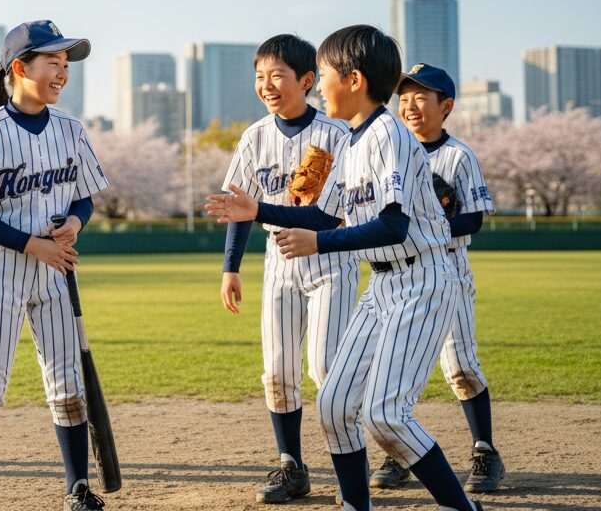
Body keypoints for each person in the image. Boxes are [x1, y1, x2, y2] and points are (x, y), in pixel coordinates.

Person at [206, 25, 487, 511]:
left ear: (353, 79)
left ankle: (461, 508)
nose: (322, 84)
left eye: (327, 73)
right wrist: (259, 211)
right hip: (383, 286)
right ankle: (357, 506)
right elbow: (318, 213)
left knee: (384, 415)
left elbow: (393, 226)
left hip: (423, 279)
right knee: (334, 405)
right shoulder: (352, 142)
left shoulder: (389, 136)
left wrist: (319, 242)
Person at [0, 20, 109, 511]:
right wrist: (35, 245)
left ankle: (78, 488)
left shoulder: (71, 130)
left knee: (68, 388)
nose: (62, 72)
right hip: (1, 274)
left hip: (58, 275)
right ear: (20, 67)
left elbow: (84, 200)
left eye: (65, 64)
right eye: (52, 62)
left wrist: (75, 225)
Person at [218, 34, 353, 504]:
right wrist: (230, 268)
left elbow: (327, 217)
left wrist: (256, 211)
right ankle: (290, 467)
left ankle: (350, 471)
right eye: (260, 76)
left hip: (330, 262)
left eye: (277, 75)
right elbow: (240, 206)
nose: (267, 85)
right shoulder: (255, 136)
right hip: (278, 264)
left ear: (308, 80)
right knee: (277, 373)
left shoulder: (335, 134)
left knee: (325, 369)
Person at [366, 63, 503, 493]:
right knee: (393, 370)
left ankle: (484, 450)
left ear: (445, 107)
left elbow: (474, 220)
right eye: (403, 97)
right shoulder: (387, 149)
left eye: (421, 97)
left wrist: (426, 230)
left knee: (460, 367)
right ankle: (399, 453)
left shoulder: (458, 156)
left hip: (448, 272)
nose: (410, 105)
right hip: (397, 277)